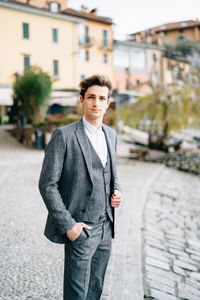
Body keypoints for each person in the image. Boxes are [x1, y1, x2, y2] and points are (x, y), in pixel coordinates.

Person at [38, 74, 122, 300]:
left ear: (108, 102)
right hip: (81, 228)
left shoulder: (111, 135)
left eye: (102, 98)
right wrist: (69, 226)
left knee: (96, 289)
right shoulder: (64, 136)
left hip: (106, 228)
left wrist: (117, 192)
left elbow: (111, 173)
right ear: (82, 100)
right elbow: (47, 185)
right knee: (76, 294)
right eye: (91, 97)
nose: (96, 103)